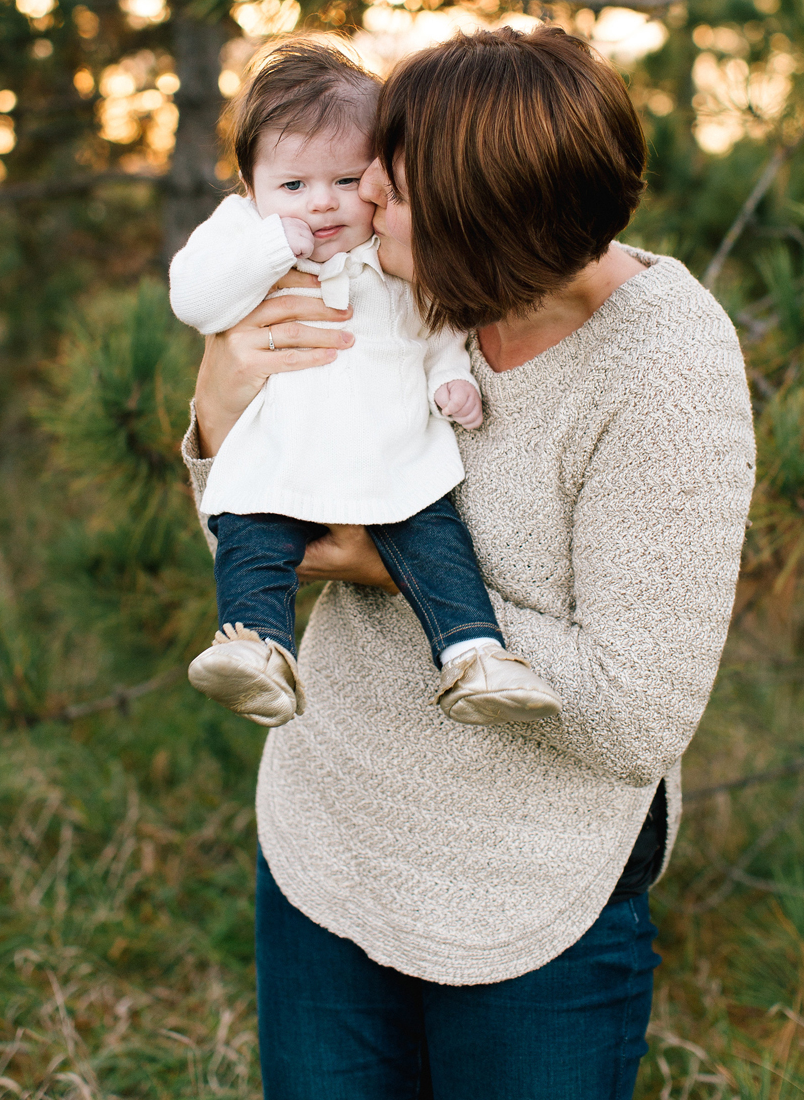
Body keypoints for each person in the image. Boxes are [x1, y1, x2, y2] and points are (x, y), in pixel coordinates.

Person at [181, 25, 755, 1100]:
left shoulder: (662, 372)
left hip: (527, 896)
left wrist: (391, 573)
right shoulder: (375, 287)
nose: (353, 207)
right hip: (327, 838)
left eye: (386, 192)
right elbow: (251, 546)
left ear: (481, 226)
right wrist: (218, 412)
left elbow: (637, 719)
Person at [168, 37, 561, 729]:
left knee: (438, 545)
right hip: (280, 453)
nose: (320, 206)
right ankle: (256, 647)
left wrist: (449, 378)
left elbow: (436, 323)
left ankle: (475, 656)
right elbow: (193, 299)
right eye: (292, 187)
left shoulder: (388, 247)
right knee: (253, 537)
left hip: (395, 455)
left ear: (377, 177)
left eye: (346, 181)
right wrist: (269, 245)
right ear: (250, 184)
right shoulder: (241, 231)